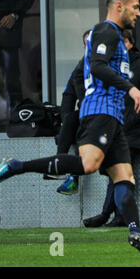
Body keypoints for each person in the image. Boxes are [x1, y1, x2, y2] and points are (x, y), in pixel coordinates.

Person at [0, 0, 140, 259]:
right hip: (100, 111)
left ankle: (136, 232)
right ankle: (16, 166)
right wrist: (131, 89)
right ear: (119, 7)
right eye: (136, 7)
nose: (139, 13)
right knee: (87, 164)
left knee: (125, 178)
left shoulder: (115, 36)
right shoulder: (106, 31)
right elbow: (96, 66)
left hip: (114, 117)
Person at [81, 29, 140, 227]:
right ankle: (114, 215)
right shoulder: (107, 67)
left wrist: (131, 119)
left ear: (128, 43)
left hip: (131, 132)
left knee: (118, 174)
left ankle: (112, 215)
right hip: (110, 129)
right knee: (115, 173)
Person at [44, 30, 90, 194]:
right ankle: (59, 164)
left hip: (104, 114)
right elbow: (68, 96)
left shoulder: (108, 64)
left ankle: (72, 178)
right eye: (87, 44)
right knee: (71, 120)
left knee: (81, 128)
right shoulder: (80, 67)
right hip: (86, 113)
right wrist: (64, 123)